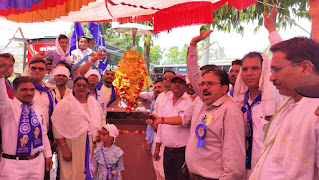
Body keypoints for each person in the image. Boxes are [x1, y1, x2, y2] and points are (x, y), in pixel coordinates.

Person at [150, 66, 246, 179]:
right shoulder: (206, 106)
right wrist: (161, 120)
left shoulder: (230, 112)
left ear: (224, 88)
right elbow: (184, 119)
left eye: (210, 83)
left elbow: (233, 163)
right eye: (203, 84)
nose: (205, 87)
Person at [249, 37, 319, 179]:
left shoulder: (316, 112)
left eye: (276, 70)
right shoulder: (289, 103)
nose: (271, 78)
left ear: (305, 68)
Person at [0, 62, 52, 179]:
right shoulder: (7, 108)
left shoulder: (37, 108)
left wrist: (47, 154)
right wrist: (0, 77)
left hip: (37, 163)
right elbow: (1, 96)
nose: (29, 93)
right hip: (13, 164)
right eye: (24, 90)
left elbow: (43, 133)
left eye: (31, 90)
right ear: (14, 91)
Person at [52, 76, 106, 180]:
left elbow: (102, 120)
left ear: (88, 88)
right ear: (73, 87)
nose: (81, 88)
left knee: (90, 173)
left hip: (92, 145)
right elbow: (56, 125)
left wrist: (101, 134)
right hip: (71, 146)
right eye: (78, 85)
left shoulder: (94, 102)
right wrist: (64, 147)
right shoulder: (65, 103)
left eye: (85, 85)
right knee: (71, 174)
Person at [153, 74, 192, 180]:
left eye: (180, 83)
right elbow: (161, 126)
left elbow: (184, 120)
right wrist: (157, 147)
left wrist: (162, 120)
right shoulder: (166, 102)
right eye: (175, 82)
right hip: (167, 152)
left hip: (182, 152)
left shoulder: (189, 103)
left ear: (185, 86)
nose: (177, 85)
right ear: (171, 85)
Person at [144, 78, 164, 152]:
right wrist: (148, 138)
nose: (156, 89)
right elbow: (151, 120)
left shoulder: (169, 100)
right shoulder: (154, 101)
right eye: (155, 88)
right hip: (154, 136)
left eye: (159, 87)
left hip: (166, 138)